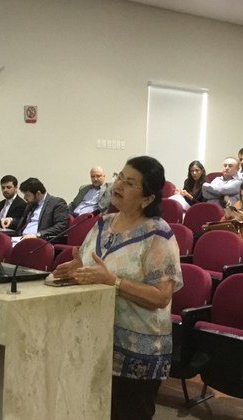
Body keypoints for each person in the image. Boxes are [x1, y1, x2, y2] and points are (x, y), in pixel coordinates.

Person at [52, 155, 183, 420]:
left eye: (130, 183)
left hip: (138, 354)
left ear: (147, 198)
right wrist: (76, 267)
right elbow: (89, 264)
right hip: (94, 341)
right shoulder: (102, 223)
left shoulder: (158, 234)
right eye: (120, 177)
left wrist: (113, 281)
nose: (119, 185)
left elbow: (161, 296)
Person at [3, 177, 69, 242]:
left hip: (40, 241)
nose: (24, 198)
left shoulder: (57, 203)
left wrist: (38, 235)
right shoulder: (31, 204)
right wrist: (11, 221)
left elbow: (60, 227)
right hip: (21, 238)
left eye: (27, 195)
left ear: (38, 193)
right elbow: (24, 224)